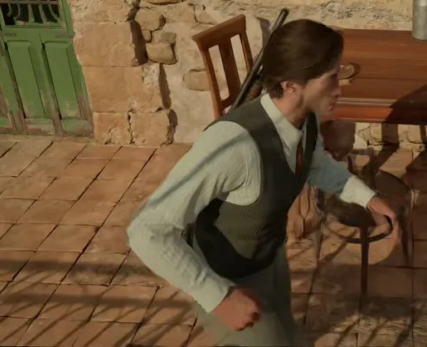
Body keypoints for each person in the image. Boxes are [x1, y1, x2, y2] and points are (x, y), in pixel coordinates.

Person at [128, 19, 400, 346]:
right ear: (291, 86)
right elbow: (146, 230)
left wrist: (366, 197)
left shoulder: (307, 117)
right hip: (225, 277)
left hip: (270, 260)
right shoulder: (234, 147)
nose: (340, 87)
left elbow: (316, 165)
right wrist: (216, 296)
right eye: (331, 78)